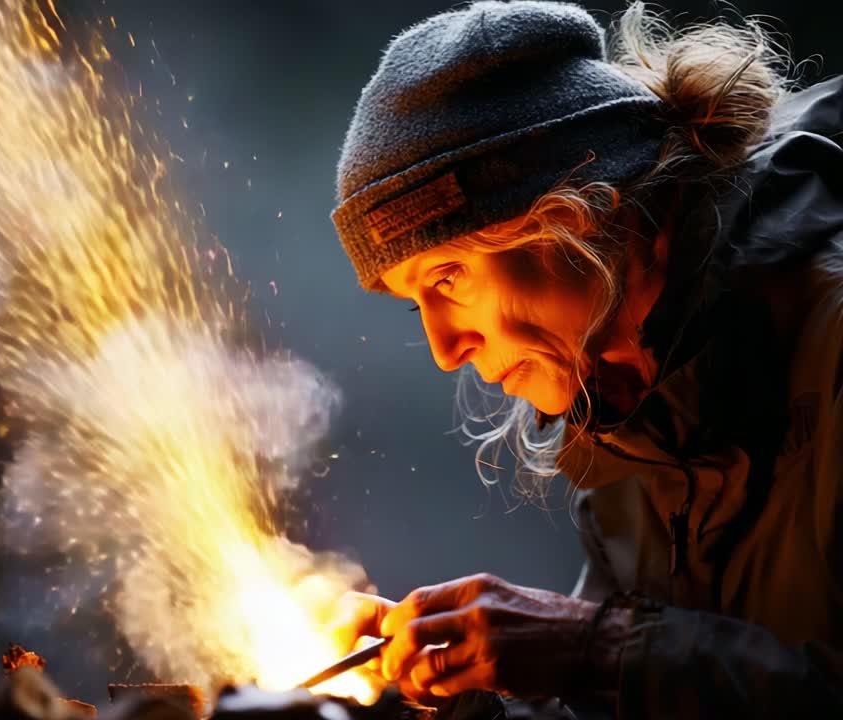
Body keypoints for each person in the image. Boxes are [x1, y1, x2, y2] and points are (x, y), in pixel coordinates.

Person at [324, 1, 843, 718]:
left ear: (579, 217)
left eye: (448, 278)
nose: (445, 353)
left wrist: (594, 650)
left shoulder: (833, 342)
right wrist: (453, 700)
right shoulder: (627, 428)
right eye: (419, 304)